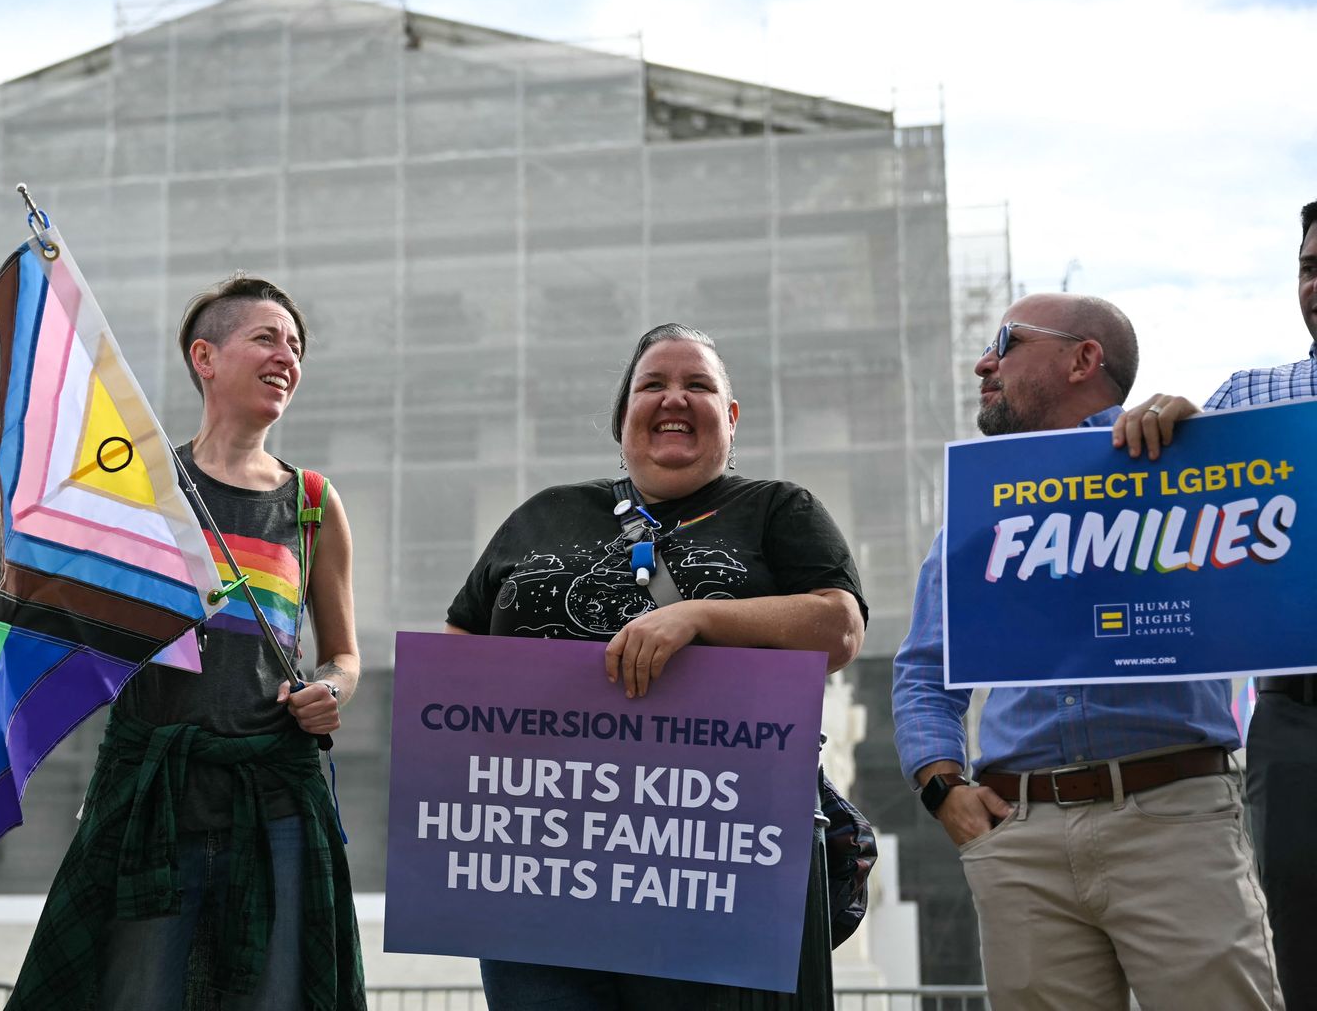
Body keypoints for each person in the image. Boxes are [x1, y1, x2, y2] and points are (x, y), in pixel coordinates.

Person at [445, 322, 867, 1010]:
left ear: (730, 419)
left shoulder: (777, 509)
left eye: (699, 385)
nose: (675, 397)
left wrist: (698, 616)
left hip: (709, 861)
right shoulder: (543, 514)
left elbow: (839, 627)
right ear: (623, 419)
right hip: (541, 862)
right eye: (653, 385)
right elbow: (459, 647)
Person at [893, 292, 1281, 1010]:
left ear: (1084, 359)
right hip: (1020, 835)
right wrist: (943, 789)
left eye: (1005, 342)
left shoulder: (1182, 465)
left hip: (1174, 823)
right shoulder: (981, 509)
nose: (983, 362)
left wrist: (1208, 444)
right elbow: (923, 668)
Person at [8, 276, 366, 1011]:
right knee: (136, 994)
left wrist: (331, 690)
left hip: (276, 800)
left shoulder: (311, 503)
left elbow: (344, 654)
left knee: (276, 996)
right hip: (150, 797)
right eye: (266, 337)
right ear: (204, 356)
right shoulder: (140, 490)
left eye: (296, 346)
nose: (286, 357)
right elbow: (56, 616)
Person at [1112, 198, 1317, 1009]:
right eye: (1309, 268)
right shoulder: (1256, 398)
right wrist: (1173, 430)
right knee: (1298, 943)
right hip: (1299, 718)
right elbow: (1165, 523)